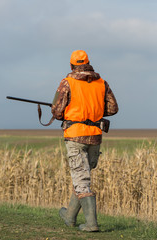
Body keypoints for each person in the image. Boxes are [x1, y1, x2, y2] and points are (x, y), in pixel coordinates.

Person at [51, 50, 118, 232]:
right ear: (88, 63)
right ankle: (70, 216)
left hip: (75, 136)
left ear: (72, 66)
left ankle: (91, 224)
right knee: (83, 177)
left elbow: (57, 112)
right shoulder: (102, 83)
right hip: (95, 137)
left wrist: (67, 111)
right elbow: (113, 108)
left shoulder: (67, 82)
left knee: (81, 179)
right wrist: (93, 109)